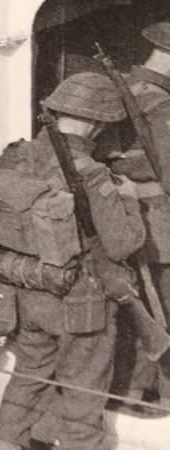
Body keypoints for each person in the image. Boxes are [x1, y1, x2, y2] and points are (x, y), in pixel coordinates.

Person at [0, 73, 146, 450]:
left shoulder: (17, 156)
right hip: (80, 301)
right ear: (97, 124)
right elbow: (121, 244)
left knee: (28, 378)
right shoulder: (93, 174)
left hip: (26, 291)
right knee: (84, 388)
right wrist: (130, 201)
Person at [108, 21, 170, 411]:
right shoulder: (161, 104)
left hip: (123, 225)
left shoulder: (121, 90)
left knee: (140, 315)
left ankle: (130, 397)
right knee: (160, 315)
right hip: (159, 229)